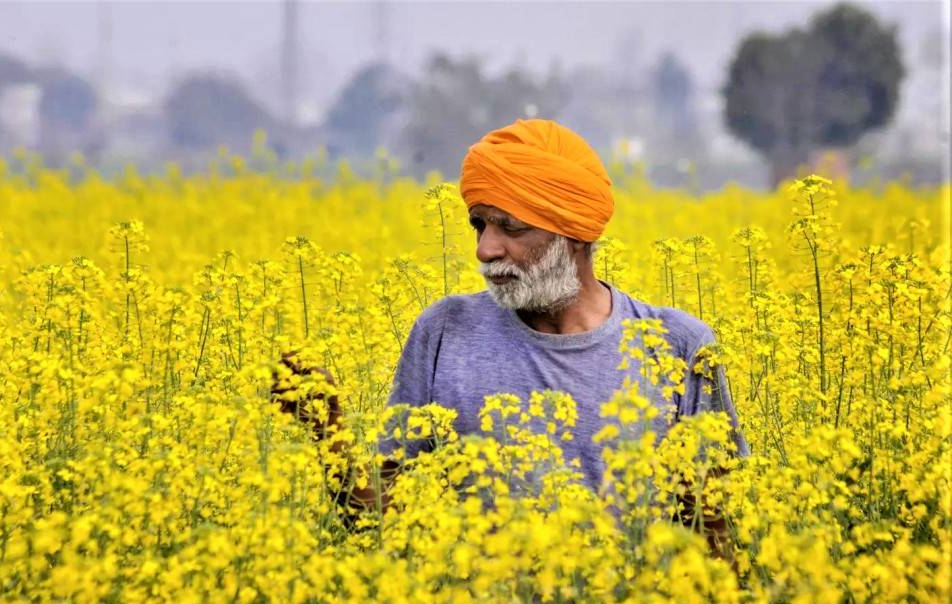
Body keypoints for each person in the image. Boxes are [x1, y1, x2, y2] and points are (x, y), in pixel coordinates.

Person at [277, 118, 748, 557]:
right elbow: (380, 525)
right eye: (479, 223)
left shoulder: (677, 346)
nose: (485, 248)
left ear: (576, 233)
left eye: (511, 226)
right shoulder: (443, 332)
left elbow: (716, 538)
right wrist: (327, 429)